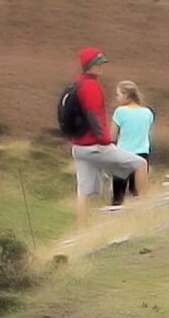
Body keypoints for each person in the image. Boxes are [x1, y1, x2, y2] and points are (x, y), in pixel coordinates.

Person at [58, 45, 128, 231]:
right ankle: (147, 210)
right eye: (99, 63)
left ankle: (82, 229)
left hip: (79, 145)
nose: (102, 66)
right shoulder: (91, 86)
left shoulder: (77, 84)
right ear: (90, 65)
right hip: (94, 145)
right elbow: (93, 116)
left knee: (83, 191)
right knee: (139, 165)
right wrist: (106, 140)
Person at [104, 79, 155, 205]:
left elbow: (111, 136)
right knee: (137, 195)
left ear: (126, 95)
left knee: (118, 196)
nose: (117, 98)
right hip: (142, 155)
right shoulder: (148, 112)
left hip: (123, 155)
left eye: (118, 95)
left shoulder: (120, 112)